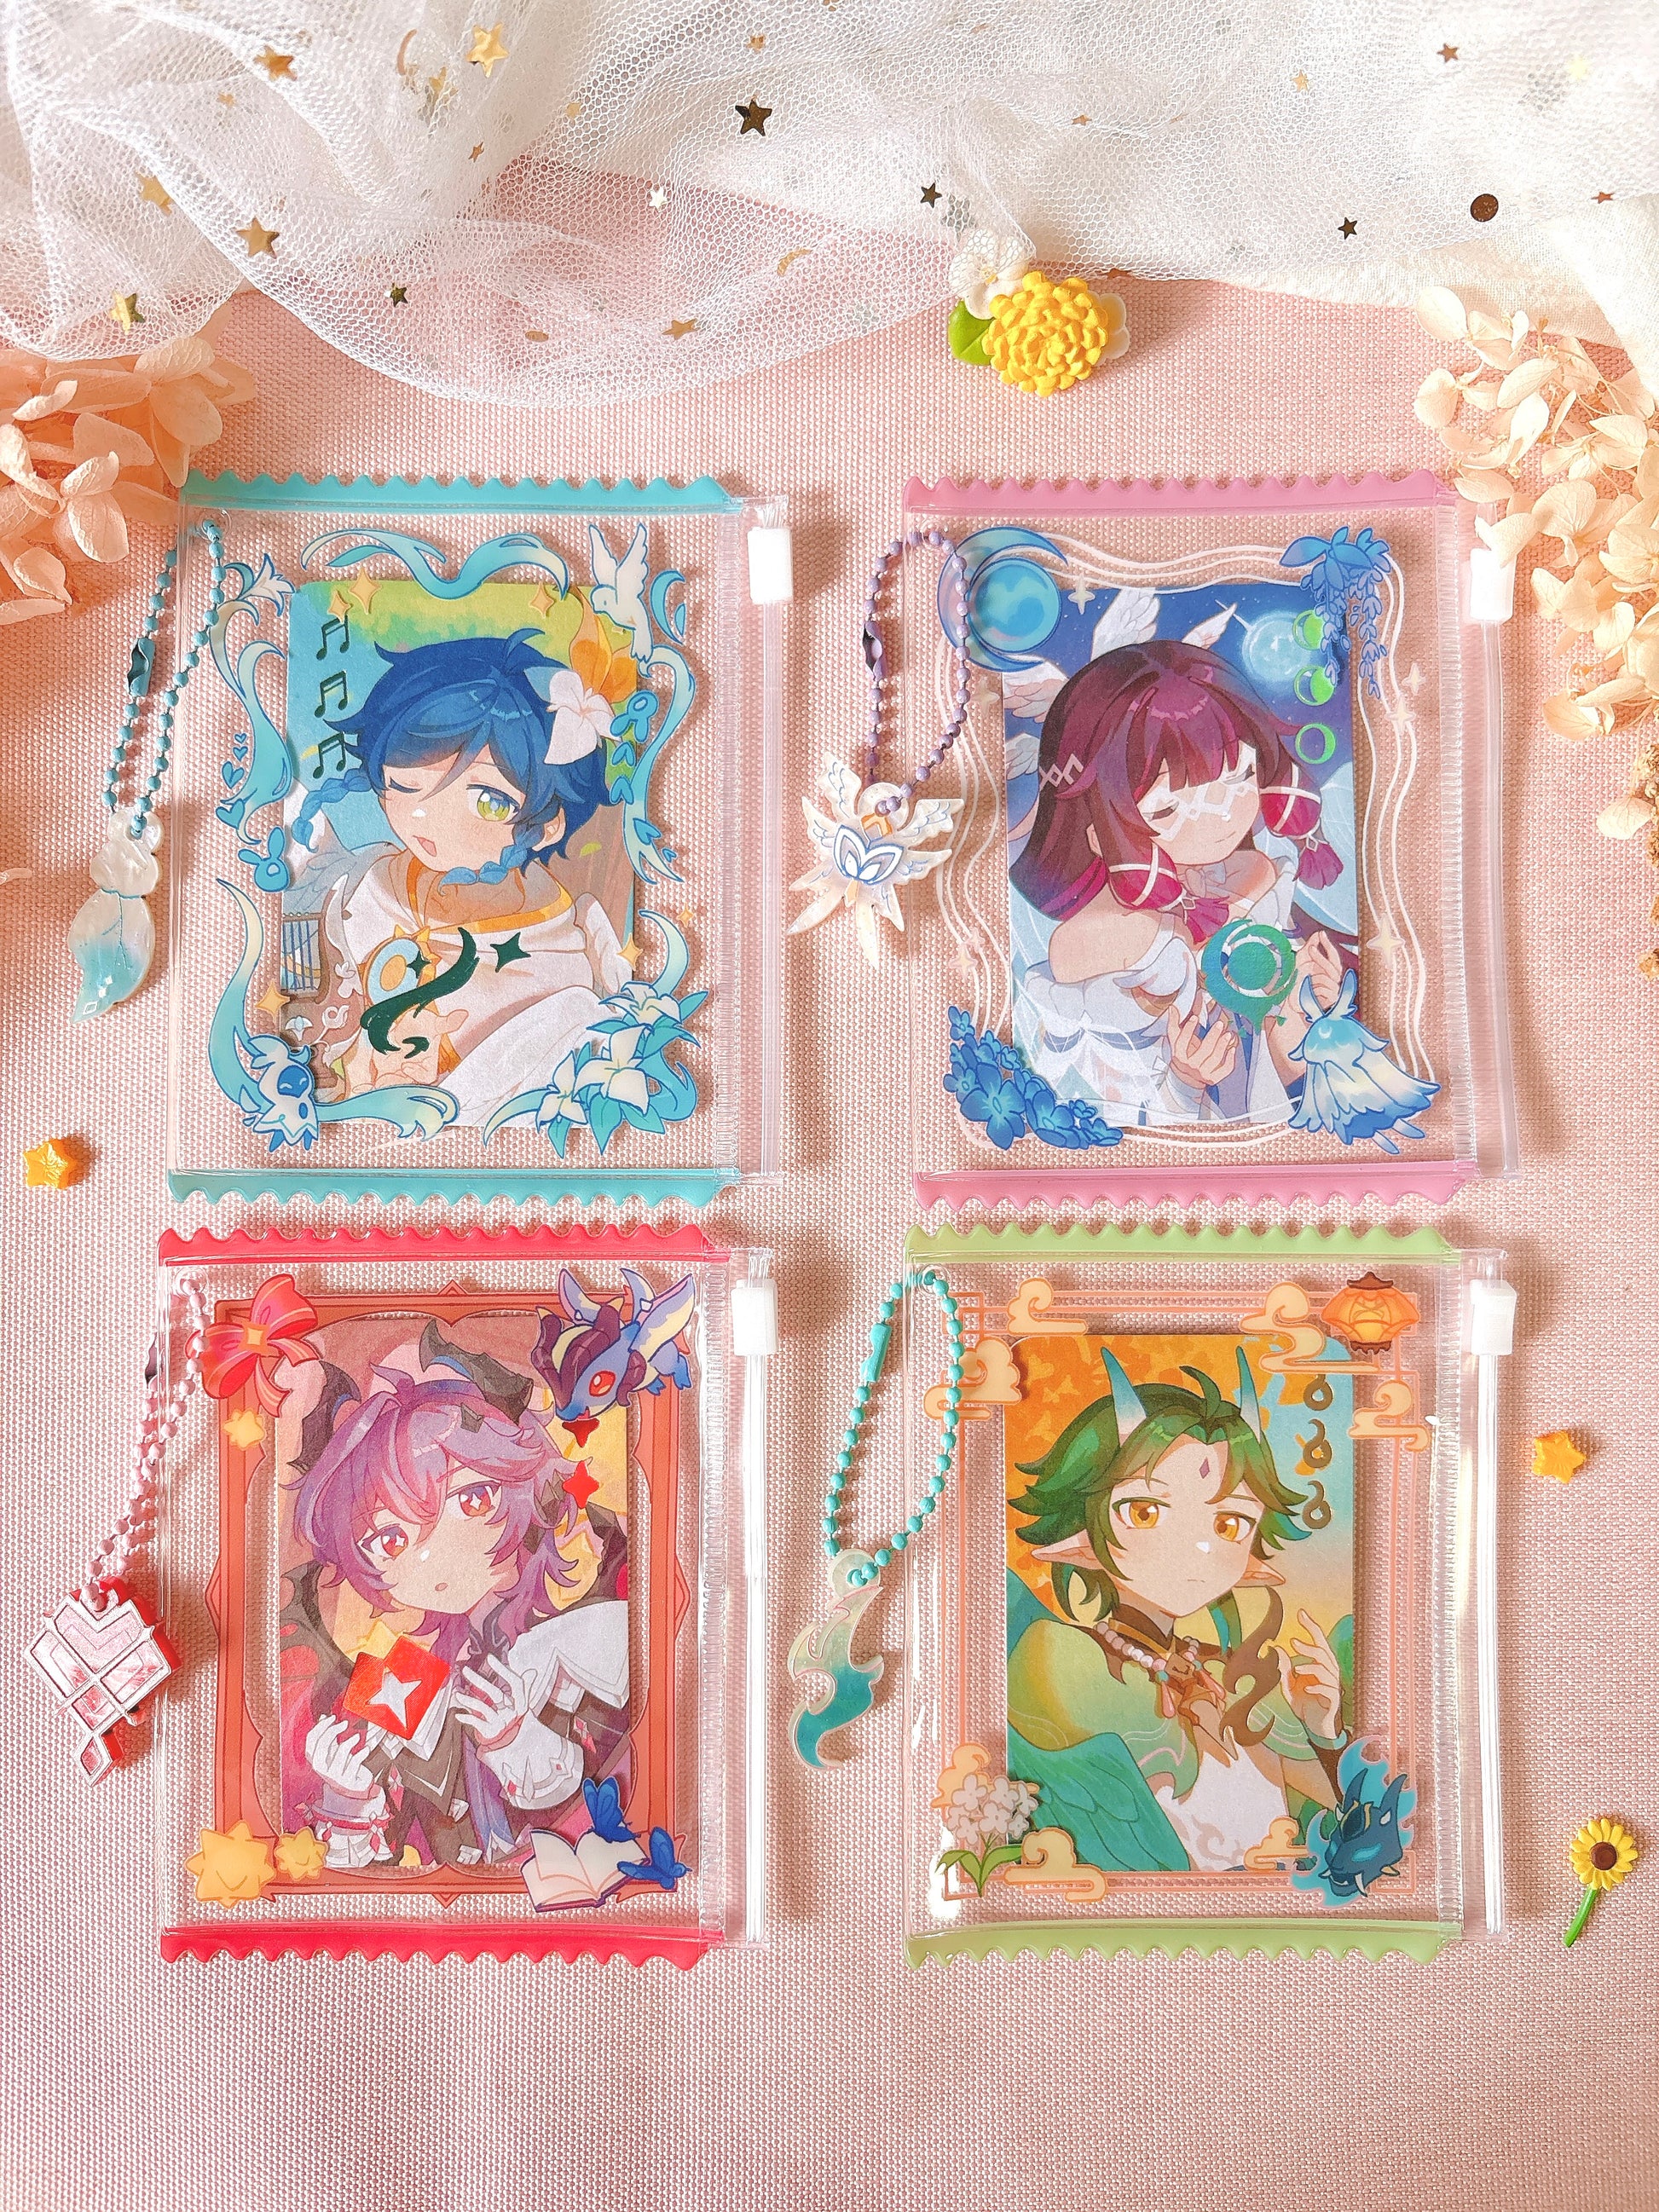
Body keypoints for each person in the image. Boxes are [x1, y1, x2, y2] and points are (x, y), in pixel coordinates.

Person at [280, 1330, 630, 1871]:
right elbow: (369, 1859)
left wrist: (515, 1740)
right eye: (389, 1540)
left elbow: (610, 1784)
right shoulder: (401, 1664)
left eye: (472, 1499)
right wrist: (346, 1795)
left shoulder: (580, 1626)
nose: (435, 1558)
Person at [1006, 1346, 1347, 1875]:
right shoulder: (1064, 1656)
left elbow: (1346, 1825)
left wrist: (1323, 1728)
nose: (1199, 1549)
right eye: (1146, 1511)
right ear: (1083, 1531)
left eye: (1230, 1523)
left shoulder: (1236, 1672)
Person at [290, 629, 632, 1125]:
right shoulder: (366, 879)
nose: (425, 818)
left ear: (547, 825)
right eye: (405, 784)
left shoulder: (559, 971)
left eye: (487, 801)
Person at [1009, 639, 1350, 1129]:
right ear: (1097, 825)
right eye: (1169, 807)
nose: (1222, 817)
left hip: (1285, 1133)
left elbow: (1288, 1080)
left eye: (1241, 776)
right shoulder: (1100, 942)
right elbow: (1090, 1108)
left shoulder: (1256, 878)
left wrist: (1313, 1010)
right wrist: (1186, 1081)